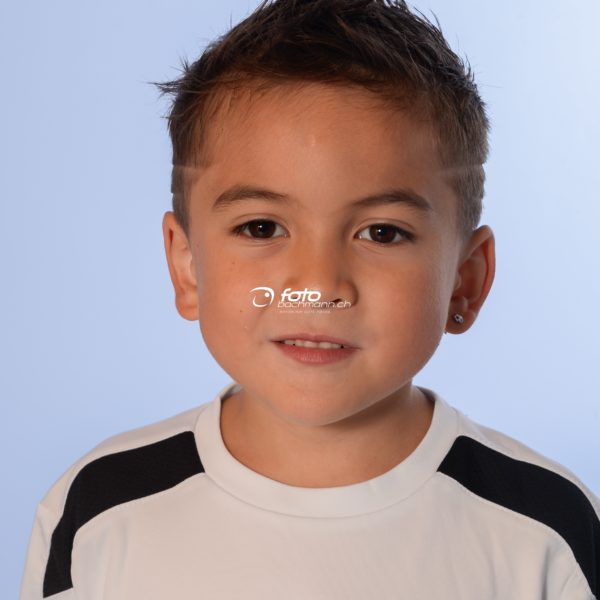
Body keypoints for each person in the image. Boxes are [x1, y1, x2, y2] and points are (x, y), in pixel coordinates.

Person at [20, 0, 600, 598]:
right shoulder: (97, 511)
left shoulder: (548, 531)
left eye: (382, 233)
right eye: (262, 227)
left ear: (465, 280)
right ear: (187, 266)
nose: (318, 286)